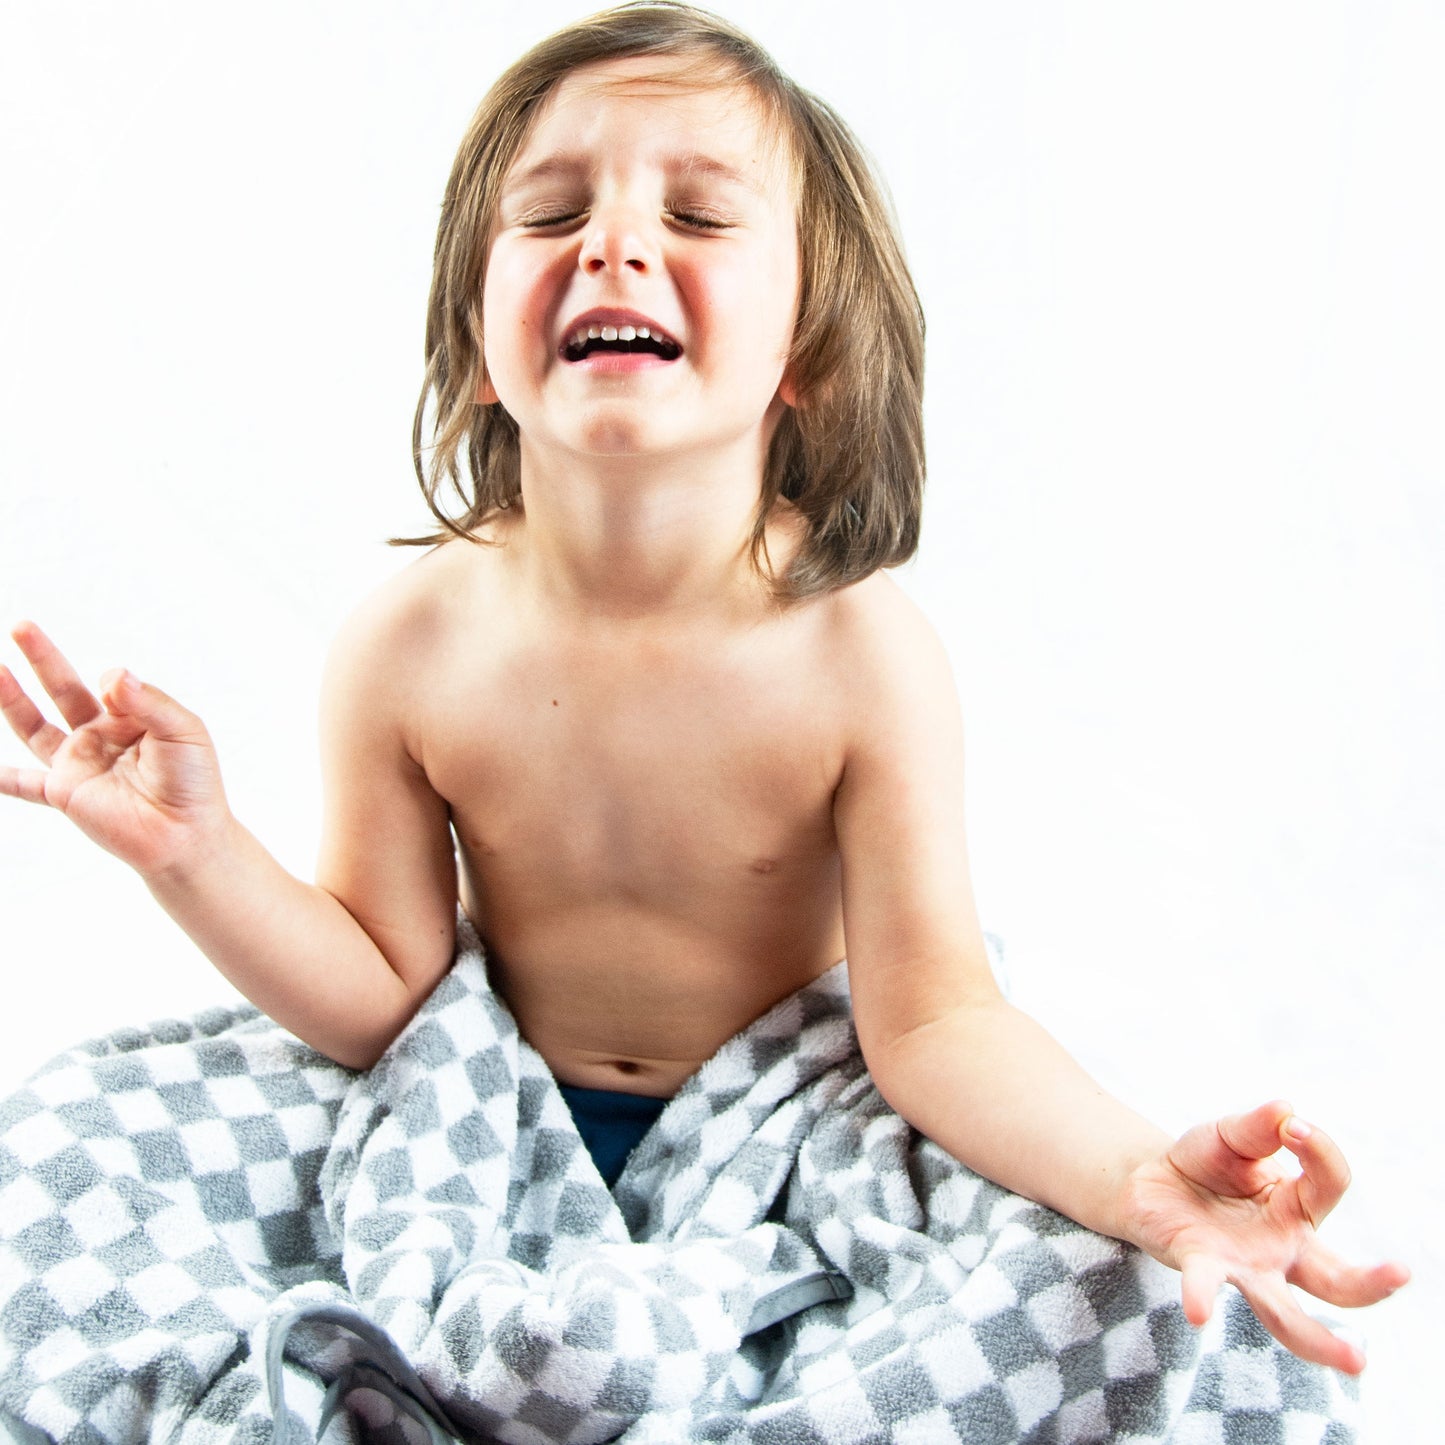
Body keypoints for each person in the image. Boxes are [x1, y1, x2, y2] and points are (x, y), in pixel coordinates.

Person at [0, 0, 1407, 1406]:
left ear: (807, 347)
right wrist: (198, 854)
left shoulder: (860, 653)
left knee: (1156, 1312)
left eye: (698, 215)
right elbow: (387, 997)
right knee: (57, 1151)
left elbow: (935, 1024)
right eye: (549, 214)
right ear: (482, 345)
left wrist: (1135, 1180)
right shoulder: (407, 644)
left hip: (801, 1129)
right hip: (484, 1113)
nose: (611, 241)